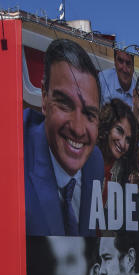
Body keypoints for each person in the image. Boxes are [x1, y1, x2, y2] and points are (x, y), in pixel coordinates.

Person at [24, 39, 105, 237]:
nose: (78, 129)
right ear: (44, 97)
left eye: (89, 114)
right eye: (65, 105)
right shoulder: (15, 147)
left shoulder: (95, 162)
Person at [97, 99, 137, 187]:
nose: (123, 144)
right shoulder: (87, 154)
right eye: (119, 131)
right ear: (108, 126)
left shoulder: (123, 170)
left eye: (128, 140)